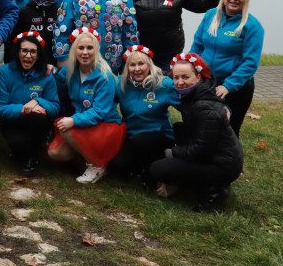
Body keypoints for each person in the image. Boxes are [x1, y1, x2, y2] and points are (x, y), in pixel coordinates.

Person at [149, 53, 244, 212]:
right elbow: (166, 74)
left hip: (223, 164)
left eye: (185, 77)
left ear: (198, 77)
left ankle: (214, 190)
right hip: (215, 153)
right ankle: (206, 181)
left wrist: (173, 152)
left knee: (157, 169)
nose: (179, 82)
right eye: (176, 77)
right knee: (179, 127)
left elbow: (201, 150)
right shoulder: (196, 92)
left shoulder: (204, 106)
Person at [47, 27, 126, 184]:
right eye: (80, 48)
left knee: (66, 128)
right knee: (55, 153)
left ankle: (98, 166)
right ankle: (85, 158)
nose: (85, 52)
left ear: (96, 50)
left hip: (104, 124)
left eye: (89, 48)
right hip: (83, 122)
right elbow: (56, 85)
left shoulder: (105, 76)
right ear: (74, 51)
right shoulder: (70, 70)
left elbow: (99, 112)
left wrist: (74, 120)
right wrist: (50, 69)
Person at [190, 0, 264, 136]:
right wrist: (190, 70)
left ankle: (230, 160)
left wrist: (228, 86)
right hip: (207, 81)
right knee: (204, 126)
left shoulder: (253, 26)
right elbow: (197, 46)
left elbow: (250, 63)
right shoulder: (210, 15)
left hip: (235, 88)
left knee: (228, 130)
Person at [109, 46, 178, 189]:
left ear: (149, 65)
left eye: (141, 64)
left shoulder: (164, 84)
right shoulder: (120, 83)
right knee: (117, 167)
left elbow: (186, 105)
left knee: (141, 141)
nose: (137, 69)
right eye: (132, 65)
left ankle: (155, 167)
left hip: (158, 134)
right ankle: (138, 167)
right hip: (131, 135)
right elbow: (106, 103)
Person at [0, 31, 61, 176]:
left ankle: (32, 158)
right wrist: (24, 108)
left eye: (33, 52)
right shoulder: (6, 71)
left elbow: (55, 107)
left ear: (39, 54)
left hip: (37, 122)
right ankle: (24, 149)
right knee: (18, 148)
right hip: (13, 120)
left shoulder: (46, 74)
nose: (28, 56)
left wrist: (37, 101)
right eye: (24, 50)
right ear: (17, 52)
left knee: (38, 117)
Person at [5, 0, 59, 67]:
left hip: (55, 65)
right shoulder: (23, 13)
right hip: (30, 66)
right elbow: (12, 42)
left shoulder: (59, 12)